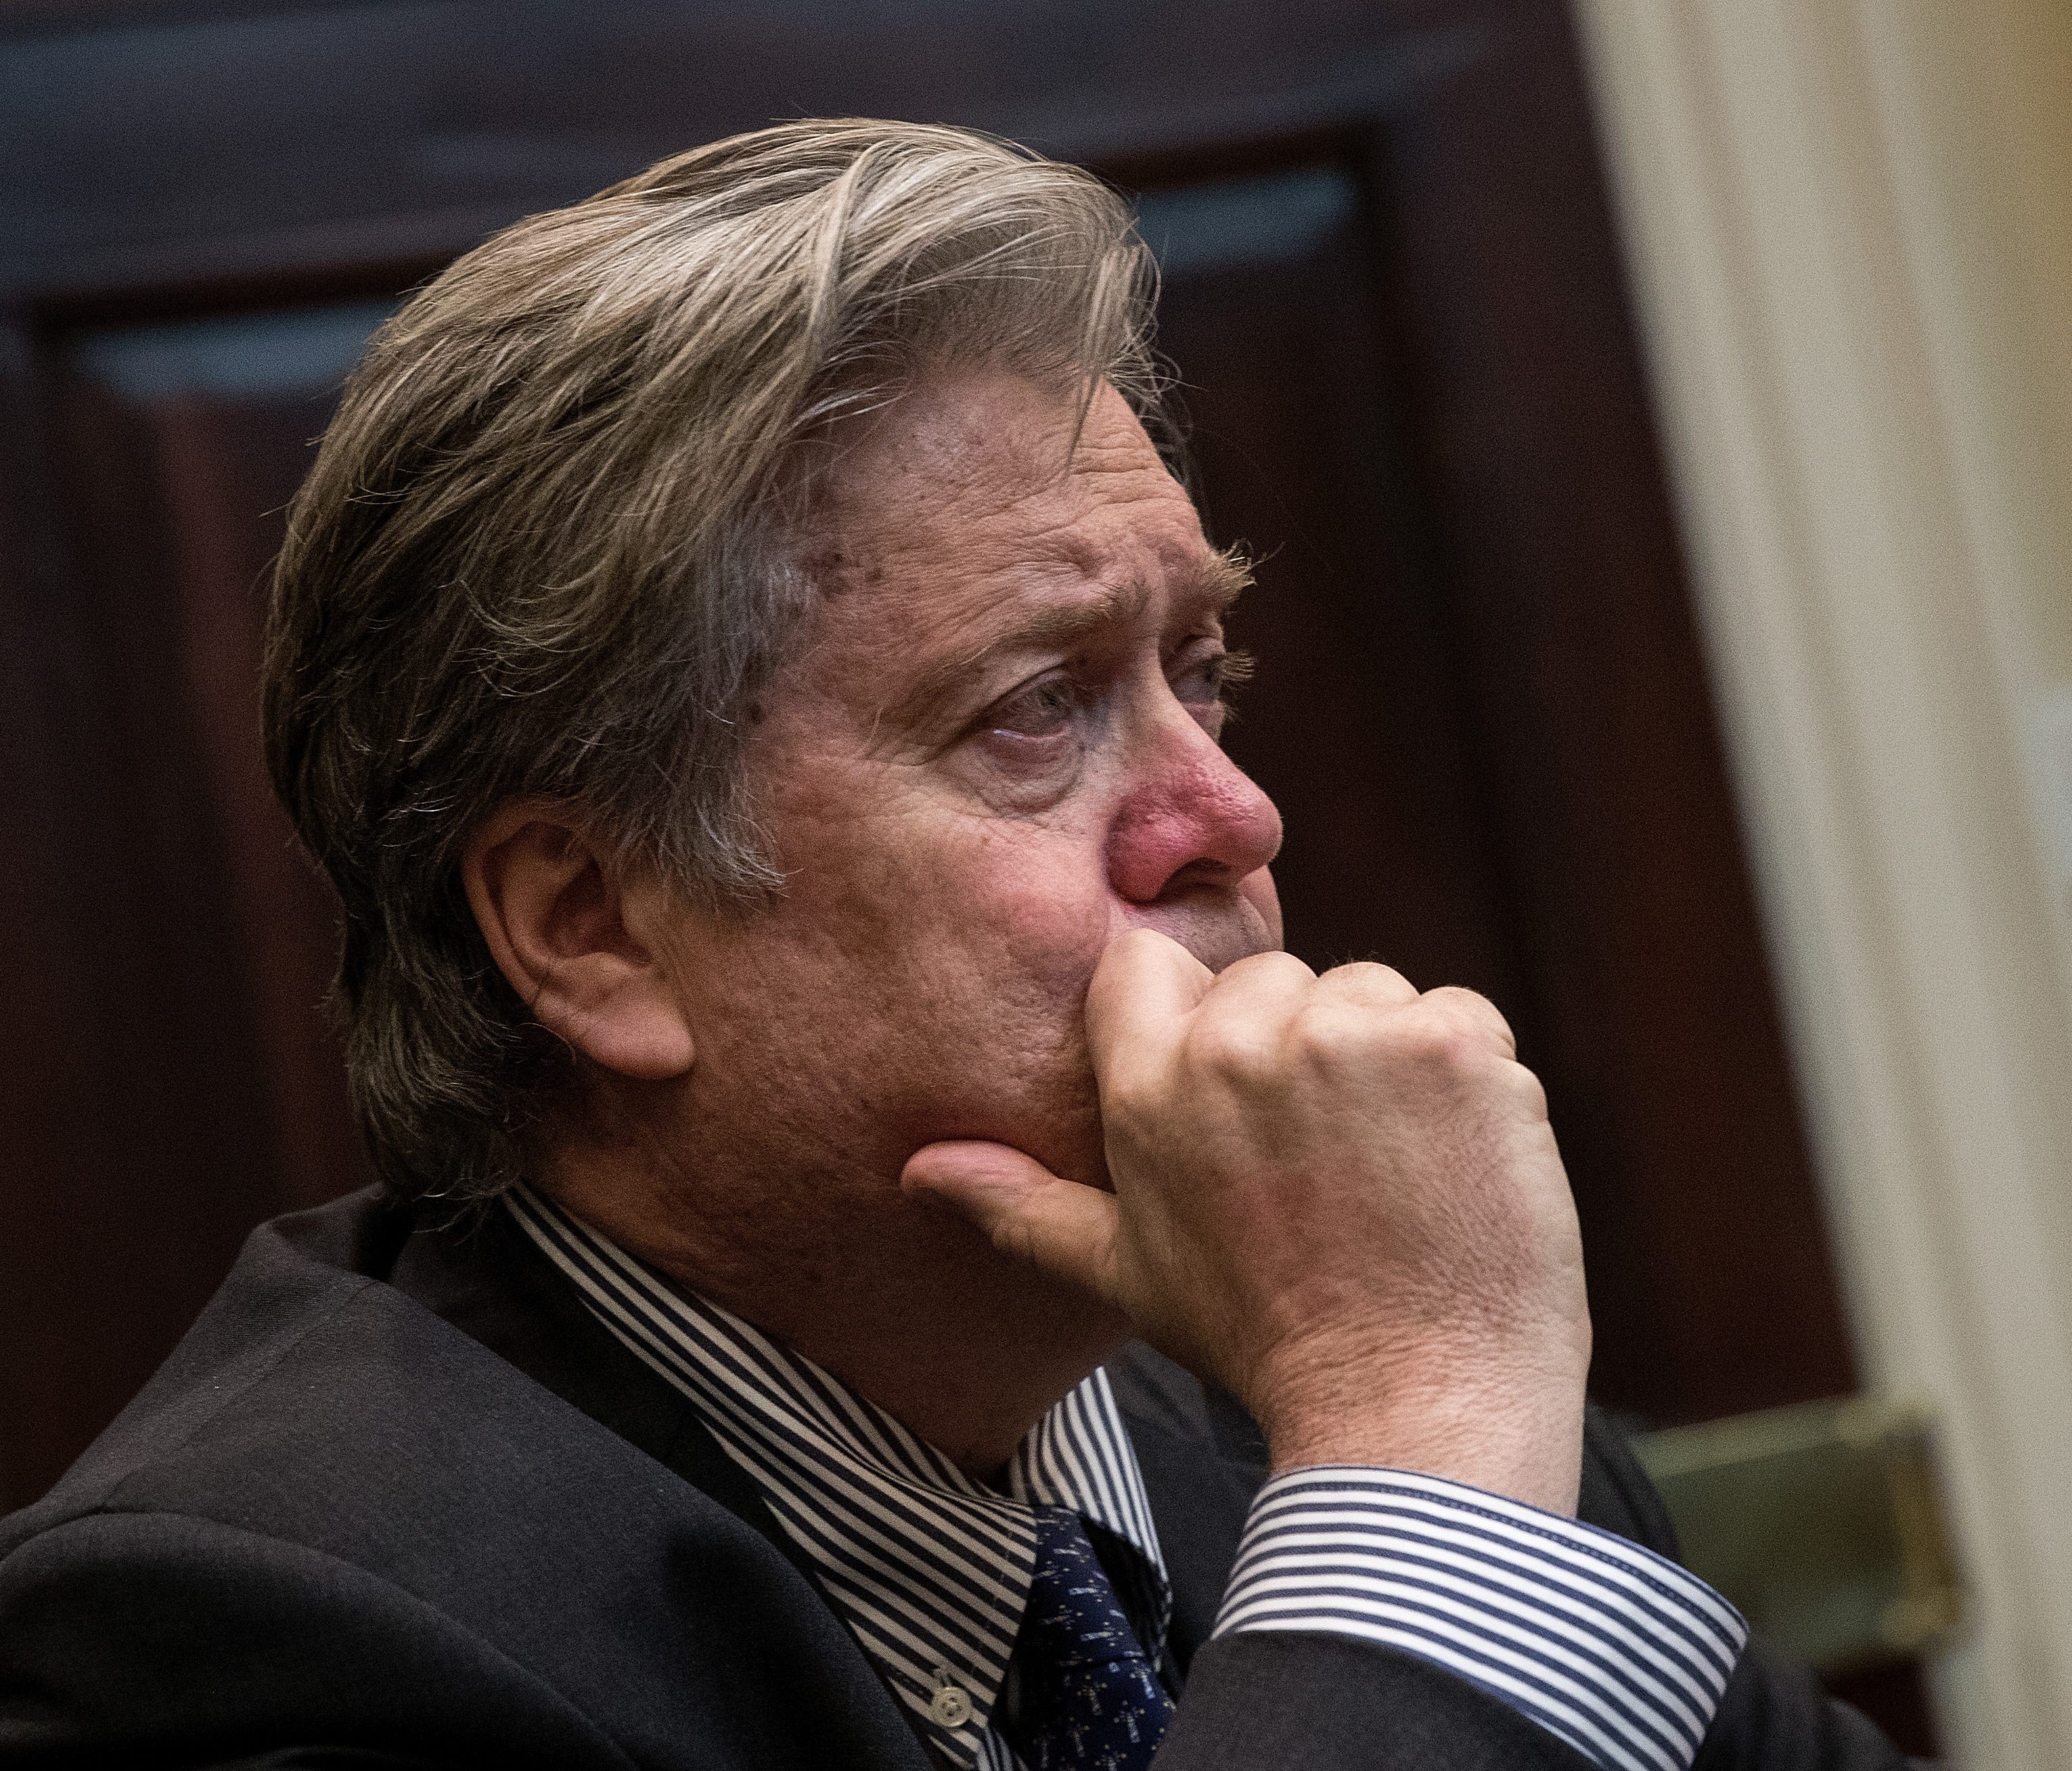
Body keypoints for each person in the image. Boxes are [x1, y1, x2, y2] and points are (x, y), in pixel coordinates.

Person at [0, 120, 1910, 1770]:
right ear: (593, 930)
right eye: (1036, 709)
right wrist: (1416, 1450)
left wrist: (1405, 1429)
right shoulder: (263, 1632)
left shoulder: (1298, 1393)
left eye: (1203, 672)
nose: (1227, 818)